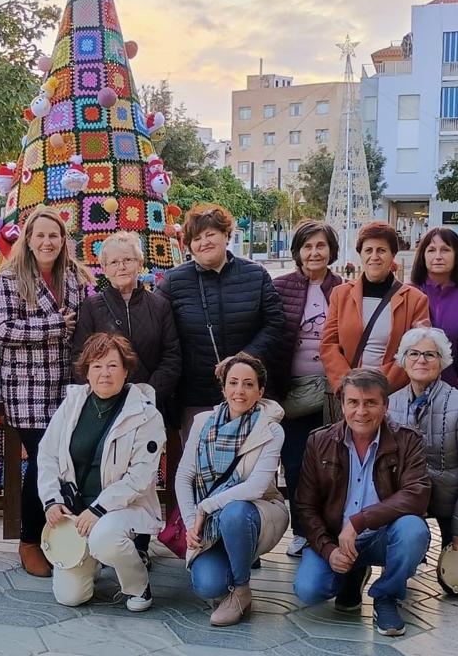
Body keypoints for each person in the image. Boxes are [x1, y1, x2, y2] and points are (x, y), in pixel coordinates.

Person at [0, 206, 93, 577]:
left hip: (69, 387)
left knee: (68, 462)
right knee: (41, 464)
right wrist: (52, 325)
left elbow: (83, 329)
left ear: (64, 240)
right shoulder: (7, 279)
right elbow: (2, 332)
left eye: (54, 235)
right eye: (40, 235)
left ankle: (64, 535)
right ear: (28, 241)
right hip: (28, 390)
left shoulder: (77, 279)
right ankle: (29, 539)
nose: (47, 241)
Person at [293, 368, 431, 637]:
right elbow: (305, 506)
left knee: (413, 529)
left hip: (382, 535)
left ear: (385, 405)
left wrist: (360, 521)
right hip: (336, 538)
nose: (361, 412)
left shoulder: (407, 440)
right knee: (309, 590)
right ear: (341, 404)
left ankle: (386, 596)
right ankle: (351, 574)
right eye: (353, 402)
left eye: (370, 403)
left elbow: (417, 493)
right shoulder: (319, 441)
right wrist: (328, 549)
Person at [39, 332, 165, 611]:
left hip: (120, 509)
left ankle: (137, 584)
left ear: (126, 370)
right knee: (70, 597)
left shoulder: (146, 415)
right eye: (96, 366)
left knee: (105, 537)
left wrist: (99, 508)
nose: (104, 373)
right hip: (76, 512)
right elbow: (46, 454)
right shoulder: (72, 404)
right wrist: (52, 499)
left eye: (112, 365)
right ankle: (91, 560)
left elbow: (139, 479)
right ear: (86, 371)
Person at [175, 353, 289, 626]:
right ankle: (229, 563)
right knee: (208, 586)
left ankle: (241, 589)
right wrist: (192, 524)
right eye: (233, 382)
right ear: (223, 387)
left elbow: (256, 486)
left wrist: (206, 506)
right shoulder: (203, 423)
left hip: (256, 512)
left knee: (234, 513)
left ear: (260, 391)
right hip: (209, 522)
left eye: (249, 384)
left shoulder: (271, 429)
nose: (240, 391)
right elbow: (184, 476)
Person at [157, 204, 285, 442]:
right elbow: (157, 329)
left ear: (226, 235)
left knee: (251, 467)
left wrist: (244, 359)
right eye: (196, 238)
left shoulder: (256, 275)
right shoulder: (173, 282)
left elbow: (275, 323)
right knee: (201, 469)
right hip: (196, 396)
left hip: (249, 391)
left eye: (210, 234)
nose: (203, 242)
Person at [270, 220, 343, 558]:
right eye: (307, 246)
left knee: (330, 464)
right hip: (290, 392)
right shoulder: (279, 287)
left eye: (321, 246)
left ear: (331, 251)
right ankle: (301, 531)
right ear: (297, 251)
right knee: (296, 463)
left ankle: (328, 530)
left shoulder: (343, 289)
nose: (314, 253)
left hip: (332, 394)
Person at [386, 327, 458, 554]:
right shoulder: (391, 406)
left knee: (456, 582)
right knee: (404, 559)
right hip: (409, 502)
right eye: (413, 354)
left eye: (430, 354)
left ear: (442, 362)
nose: (421, 360)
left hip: (453, 502)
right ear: (403, 360)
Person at [71, 231, 181, 423]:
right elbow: (80, 357)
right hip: (105, 409)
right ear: (104, 268)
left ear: (140, 262)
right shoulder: (92, 307)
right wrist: (102, 396)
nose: (121, 267)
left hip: (149, 407)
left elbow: (171, 357)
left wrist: (147, 396)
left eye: (128, 260)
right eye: (114, 262)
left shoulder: (159, 305)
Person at [320, 221, 430, 399]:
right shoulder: (341, 295)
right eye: (368, 250)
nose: (374, 256)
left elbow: (416, 351)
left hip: (392, 394)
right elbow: (329, 344)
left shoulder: (415, 300)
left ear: (393, 254)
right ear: (361, 255)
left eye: (381, 250)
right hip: (349, 393)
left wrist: (380, 387)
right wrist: (347, 383)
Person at [410, 227, 458, 395]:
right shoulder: (408, 293)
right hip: (411, 389)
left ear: (457, 255)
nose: (438, 256)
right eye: (431, 250)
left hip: (456, 391)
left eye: (445, 250)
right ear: (422, 255)